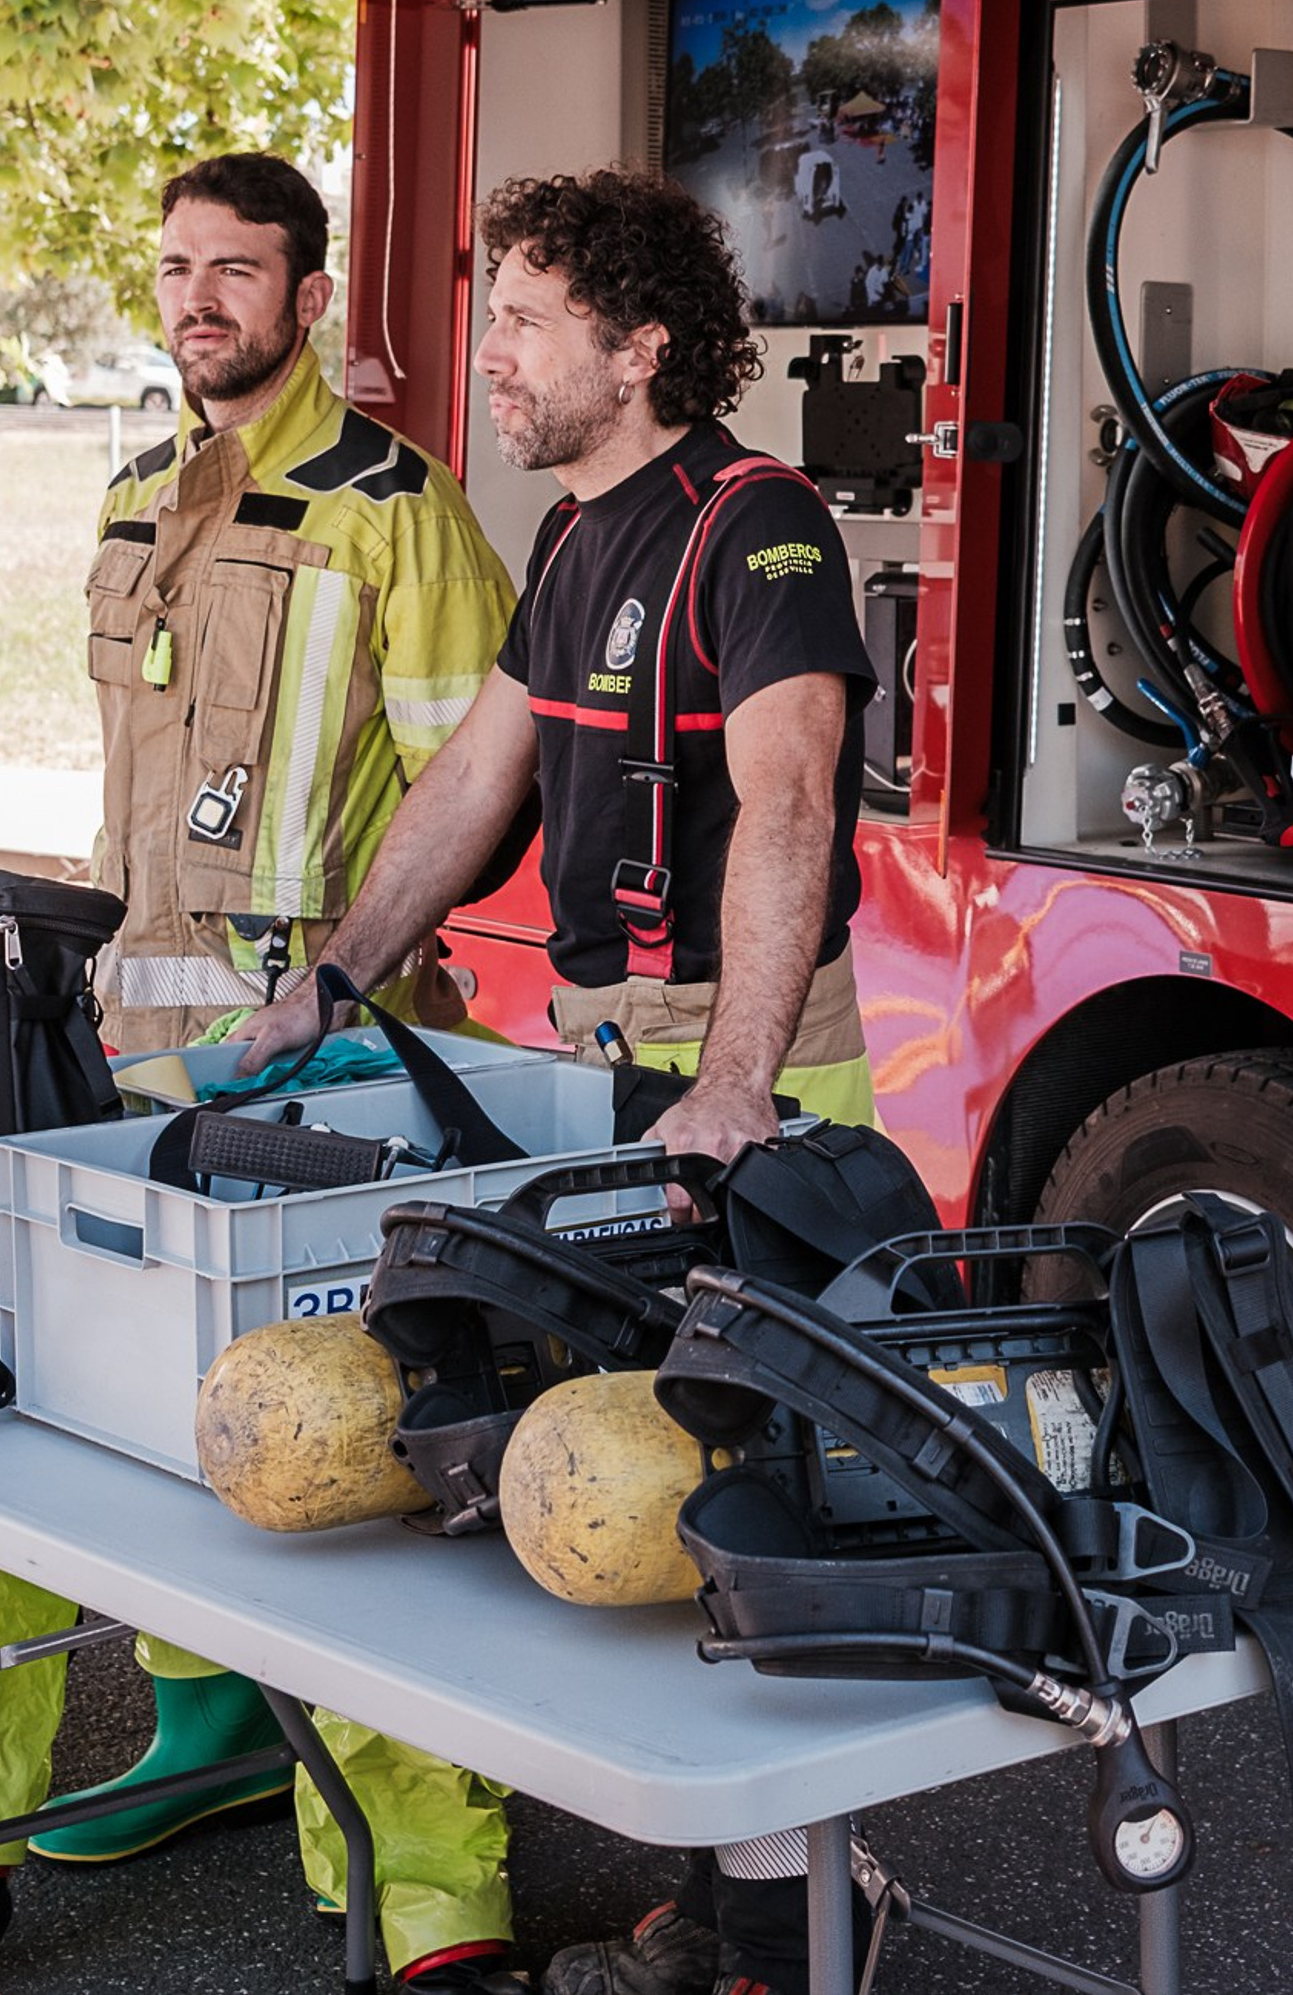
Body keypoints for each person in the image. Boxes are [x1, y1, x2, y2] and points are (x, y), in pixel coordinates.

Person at [229, 165, 880, 1995]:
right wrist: (336, 978)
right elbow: (468, 785)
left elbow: (792, 800)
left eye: (521, 321)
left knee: (748, 1504)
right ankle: (748, 1896)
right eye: (493, 316)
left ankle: (793, 1926)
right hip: (611, 1065)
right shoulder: (580, 535)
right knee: (635, 1491)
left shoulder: (757, 530)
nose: (485, 356)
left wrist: (740, 1076)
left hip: (736, 1075)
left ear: (641, 342)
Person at [0, 153, 521, 1987]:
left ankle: (428, 1894)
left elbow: (476, 803)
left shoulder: (397, 509)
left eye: (238, 272)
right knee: (100, 1447)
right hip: (124, 1061)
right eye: (176, 270)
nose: (199, 303)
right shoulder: (136, 490)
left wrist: (339, 989)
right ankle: (59, 1791)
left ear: (310, 298)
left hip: (320, 1075)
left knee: (359, 1472)